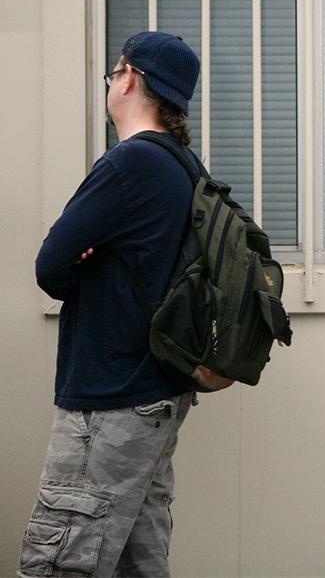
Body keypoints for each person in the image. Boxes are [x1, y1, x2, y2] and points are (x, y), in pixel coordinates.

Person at [20, 32, 203, 578]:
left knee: (61, 559)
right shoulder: (184, 166)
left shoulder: (129, 165)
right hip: (157, 392)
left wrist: (85, 260)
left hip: (109, 397)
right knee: (136, 559)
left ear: (129, 79)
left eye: (113, 73)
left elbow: (51, 267)